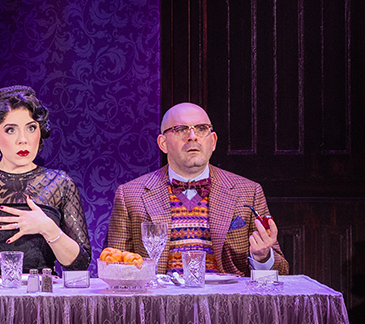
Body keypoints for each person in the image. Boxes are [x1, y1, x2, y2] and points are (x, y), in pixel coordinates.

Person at [107, 102, 289, 275]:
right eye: (180, 129)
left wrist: (262, 257)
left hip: (227, 303)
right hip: (159, 303)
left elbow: (282, 271)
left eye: (201, 129)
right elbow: (113, 266)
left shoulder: (248, 192)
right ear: (163, 143)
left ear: (213, 141)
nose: (192, 136)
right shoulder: (130, 195)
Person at [0, 86, 91, 278]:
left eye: (31, 128)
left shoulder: (60, 184)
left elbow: (80, 265)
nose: (23, 140)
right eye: (11, 130)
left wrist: (48, 228)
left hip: (42, 297)